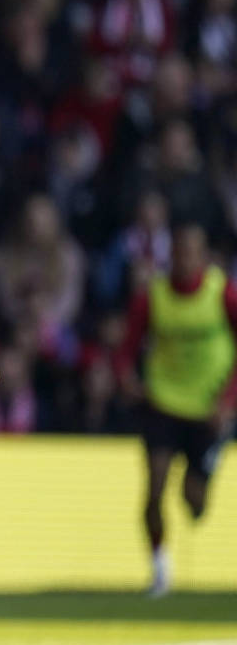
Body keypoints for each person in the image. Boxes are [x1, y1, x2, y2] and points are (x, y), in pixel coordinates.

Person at [118, 223, 237, 597]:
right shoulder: (152, 297)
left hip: (208, 407)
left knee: (193, 503)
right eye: (179, 252)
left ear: (203, 257)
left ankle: (206, 468)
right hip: (164, 402)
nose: (184, 260)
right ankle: (159, 570)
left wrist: (228, 401)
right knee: (154, 487)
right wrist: (128, 378)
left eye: (191, 252)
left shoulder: (223, 293)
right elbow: (126, 348)